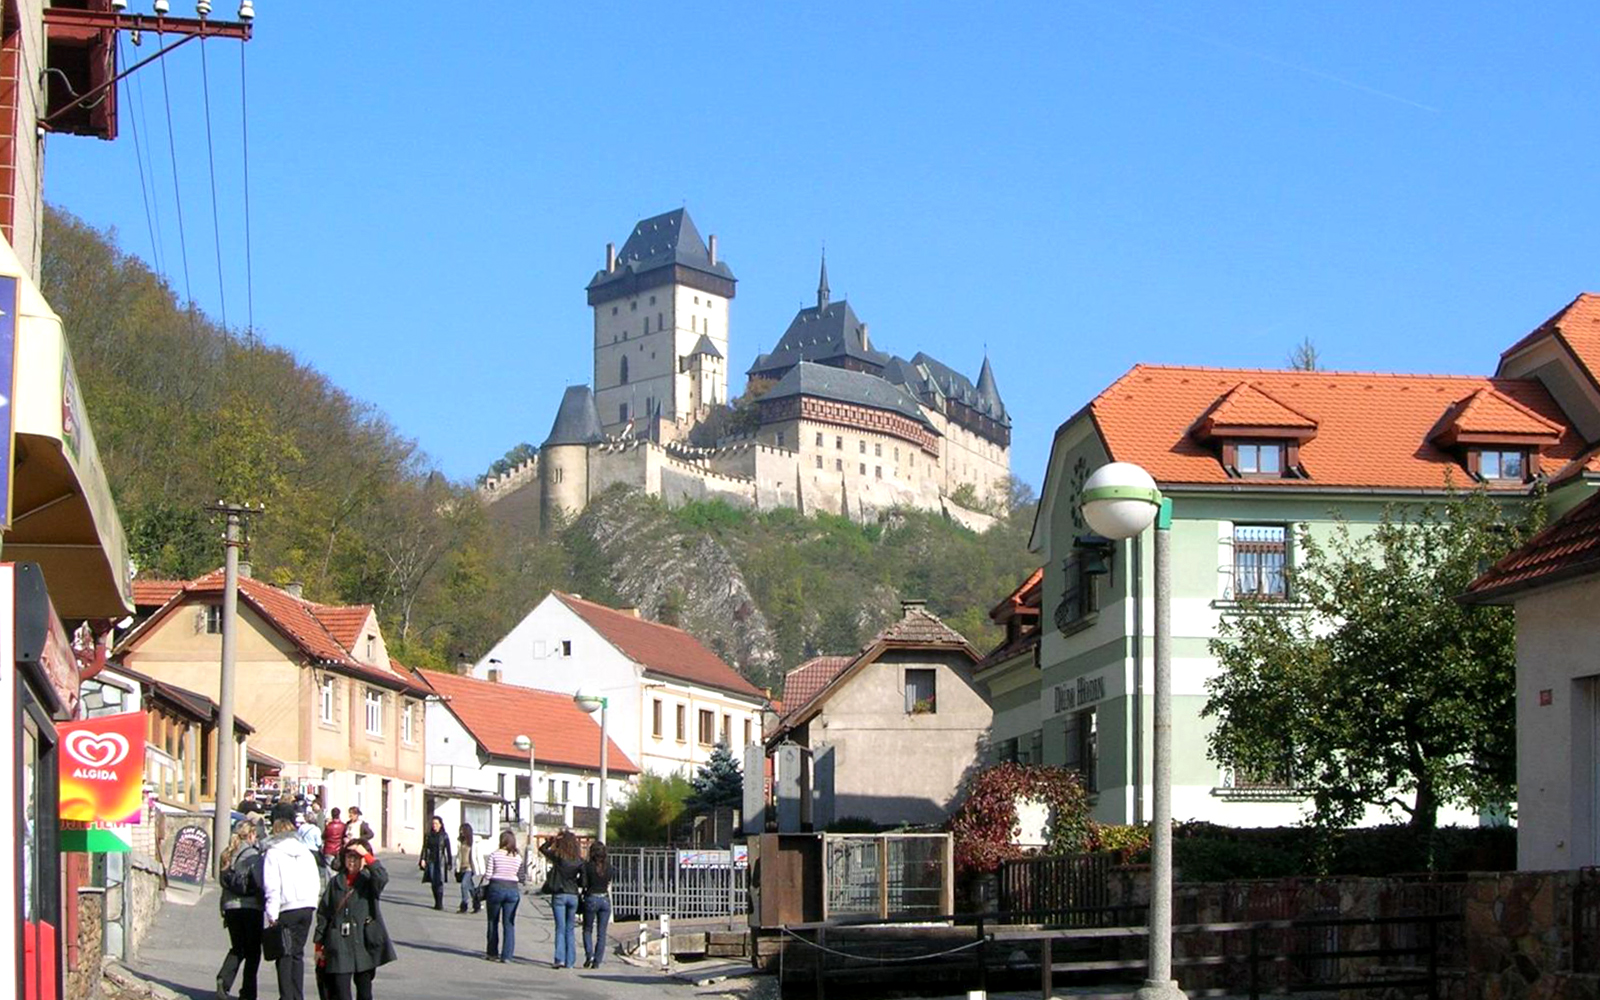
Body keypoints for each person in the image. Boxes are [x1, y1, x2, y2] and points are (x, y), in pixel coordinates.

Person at [314, 841, 395, 1000]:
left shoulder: (369, 881)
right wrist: (318, 947)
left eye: (356, 858)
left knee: (364, 992)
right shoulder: (335, 882)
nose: (352, 861)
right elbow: (324, 914)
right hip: (339, 943)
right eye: (349, 857)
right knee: (341, 992)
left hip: (363, 942)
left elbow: (382, 877)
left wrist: (365, 853)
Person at [263, 802, 324, 1000]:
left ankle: (286, 996)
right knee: (297, 953)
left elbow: (272, 885)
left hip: (286, 906)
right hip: (306, 906)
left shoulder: (273, 853)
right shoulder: (305, 851)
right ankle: (298, 996)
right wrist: (312, 901)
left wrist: (271, 913)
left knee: (283, 954)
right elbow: (315, 878)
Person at [217, 820, 265, 1000]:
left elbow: (223, 885)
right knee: (253, 951)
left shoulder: (227, 854)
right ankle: (248, 992)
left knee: (237, 947)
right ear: (251, 835)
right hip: (250, 908)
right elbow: (260, 882)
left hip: (231, 908)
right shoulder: (253, 854)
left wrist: (223, 907)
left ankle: (224, 979)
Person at [537, 830, 584, 970]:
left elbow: (542, 849)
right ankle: (570, 962)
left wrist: (551, 841)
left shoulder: (558, 856)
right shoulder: (579, 860)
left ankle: (559, 959)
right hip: (573, 895)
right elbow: (583, 880)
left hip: (559, 894)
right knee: (570, 929)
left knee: (560, 928)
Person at [480, 830, 526, 963]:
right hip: (512, 890)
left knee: (493, 921)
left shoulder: (495, 855)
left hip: (496, 888)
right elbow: (521, 877)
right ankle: (507, 956)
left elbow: (488, 875)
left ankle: (492, 953)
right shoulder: (518, 857)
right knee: (509, 924)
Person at [579, 840, 612, 970]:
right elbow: (609, 880)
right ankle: (597, 961)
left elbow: (583, 883)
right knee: (601, 932)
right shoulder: (608, 867)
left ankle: (589, 955)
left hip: (591, 898)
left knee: (587, 929)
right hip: (605, 899)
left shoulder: (587, 866)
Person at [417, 816, 452, 910]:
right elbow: (424, 848)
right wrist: (423, 859)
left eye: (436, 824)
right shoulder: (428, 835)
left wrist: (449, 863)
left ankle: (440, 903)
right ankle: (436, 901)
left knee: (439, 881)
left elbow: (448, 850)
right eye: (433, 824)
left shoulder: (444, 835)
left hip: (440, 860)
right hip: (431, 860)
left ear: (440, 825)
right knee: (433, 881)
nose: (434, 826)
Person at [454, 824, 478, 914]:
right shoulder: (460, 842)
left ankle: (464, 905)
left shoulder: (473, 842)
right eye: (460, 830)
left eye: (463, 830)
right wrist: (456, 867)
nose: (461, 832)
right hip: (462, 867)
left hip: (470, 867)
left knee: (464, 885)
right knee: (471, 887)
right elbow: (458, 856)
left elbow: (477, 856)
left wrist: (480, 869)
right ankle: (477, 904)